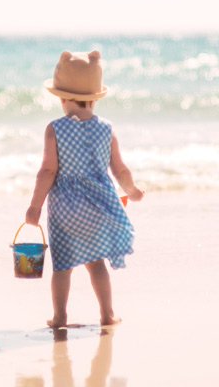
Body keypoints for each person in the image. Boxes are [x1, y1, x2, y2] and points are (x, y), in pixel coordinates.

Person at [25, 50, 144, 328]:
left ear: (62, 97)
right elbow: (120, 169)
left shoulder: (55, 129)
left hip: (65, 210)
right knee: (96, 263)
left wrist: (35, 206)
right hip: (98, 207)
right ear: (94, 97)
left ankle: (60, 317)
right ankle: (106, 314)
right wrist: (133, 189)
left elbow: (47, 171)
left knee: (63, 267)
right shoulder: (107, 129)